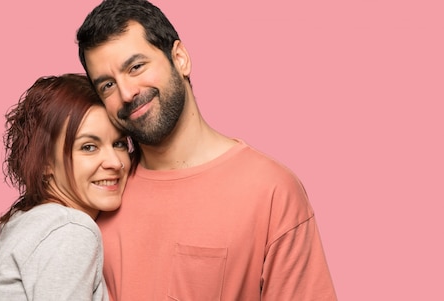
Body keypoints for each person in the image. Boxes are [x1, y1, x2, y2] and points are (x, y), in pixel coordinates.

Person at [76, 0, 337, 300]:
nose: (126, 93)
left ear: (180, 58)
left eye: (136, 67)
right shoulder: (101, 191)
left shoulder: (271, 191)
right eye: (107, 85)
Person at [0, 73, 139, 301]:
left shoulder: (30, 221)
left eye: (118, 144)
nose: (115, 162)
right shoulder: (71, 230)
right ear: (46, 161)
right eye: (88, 147)